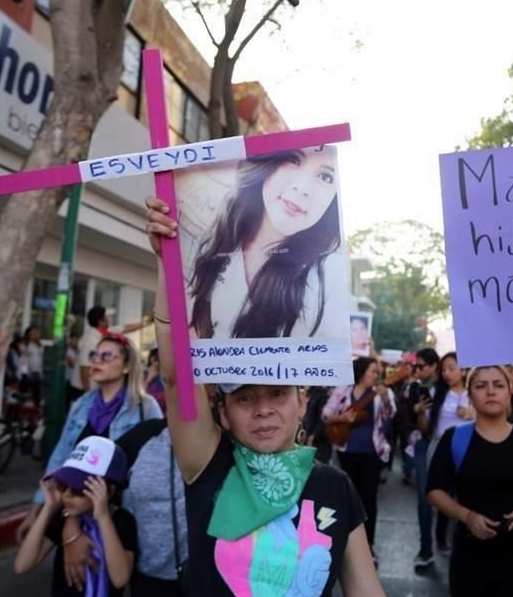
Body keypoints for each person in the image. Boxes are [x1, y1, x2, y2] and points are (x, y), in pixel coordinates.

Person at [145, 195, 384, 596]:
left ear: (302, 402)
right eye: (244, 398)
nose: (263, 410)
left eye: (277, 393)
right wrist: (168, 263)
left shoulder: (335, 486)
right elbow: (175, 378)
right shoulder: (207, 464)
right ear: (222, 413)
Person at [16, 333, 161, 549]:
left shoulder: (146, 408)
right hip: (78, 512)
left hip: (124, 516)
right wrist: (37, 510)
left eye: (107, 356)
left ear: (126, 366)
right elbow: (61, 458)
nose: (96, 361)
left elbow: (158, 469)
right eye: (94, 355)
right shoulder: (81, 406)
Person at [185, 148, 346, 340]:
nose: (302, 188)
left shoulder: (329, 279)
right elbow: (179, 360)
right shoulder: (216, 242)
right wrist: (164, 258)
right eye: (292, 159)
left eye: (325, 177)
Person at [428, 365, 513, 596]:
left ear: (509, 394)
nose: (490, 391)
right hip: (471, 560)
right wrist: (467, 516)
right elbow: (434, 490)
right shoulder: (455, 437)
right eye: (480, 386)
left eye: (498, 385)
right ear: (470, 396)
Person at [14, 436, 137, 596]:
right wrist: (48, 509)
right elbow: (22, 565)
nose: (67, 495)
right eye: (63, 485)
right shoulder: (63, 518)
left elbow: (120, 578)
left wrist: (103, 518)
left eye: (78, 489)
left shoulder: (122, 521)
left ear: (108, 492)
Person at [322, 357, 397, 559]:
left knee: (369, 499)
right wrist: (341, 418)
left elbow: (390, 416)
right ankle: (345, 543)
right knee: (347, 497)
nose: (376, 375)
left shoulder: (382, 393)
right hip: (346, 451)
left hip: (372, 452)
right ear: (362, 372)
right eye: (373, 371)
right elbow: (326, 414)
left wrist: (387, 400)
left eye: (377, 372)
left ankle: (368, 544)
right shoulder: (343, 390)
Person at [116, 419, 188, 596]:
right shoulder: (144, 436)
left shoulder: (228, 438)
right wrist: (72, 527)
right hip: (148, 578)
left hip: (208, 578)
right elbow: (89, 476)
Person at [418, 352, 474, 555]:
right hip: (440, 447)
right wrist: (420, 412)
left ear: (464, 368)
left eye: (452, 368)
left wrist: (471, 414)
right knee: (441, 493)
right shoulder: (436, 393)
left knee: (465, 495)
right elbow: (425, 428)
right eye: (444, 369)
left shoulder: (474, 392)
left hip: (469, 449)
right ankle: (438, 540)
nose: (447, 373)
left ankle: (462, 537)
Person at [408, 347, 441, 569]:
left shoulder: (448, 389)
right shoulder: (414, 388)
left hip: (447, 444)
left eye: (421, 366)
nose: (417, 370)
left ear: (434, 366)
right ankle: (426, 548)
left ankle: (443, 537)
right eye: (415, 367)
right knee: (425, 496)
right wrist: (417, 409)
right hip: (423, 444)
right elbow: (410, 421)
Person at [72, 306, 149, 397]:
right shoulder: (90, 340)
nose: (109, 318)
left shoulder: (107, 331)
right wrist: (88, 395)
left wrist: (146, 323)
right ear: (100, 321)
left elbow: (126, 328)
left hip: (95, 388)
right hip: (82, 389)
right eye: (106, 316)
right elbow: (84, 370)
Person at [144, 347, 166, 416]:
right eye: (154, 355)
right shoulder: (142, 374)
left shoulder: (171, 374)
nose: (155, 359)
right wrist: (149, 378)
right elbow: (136, 396)